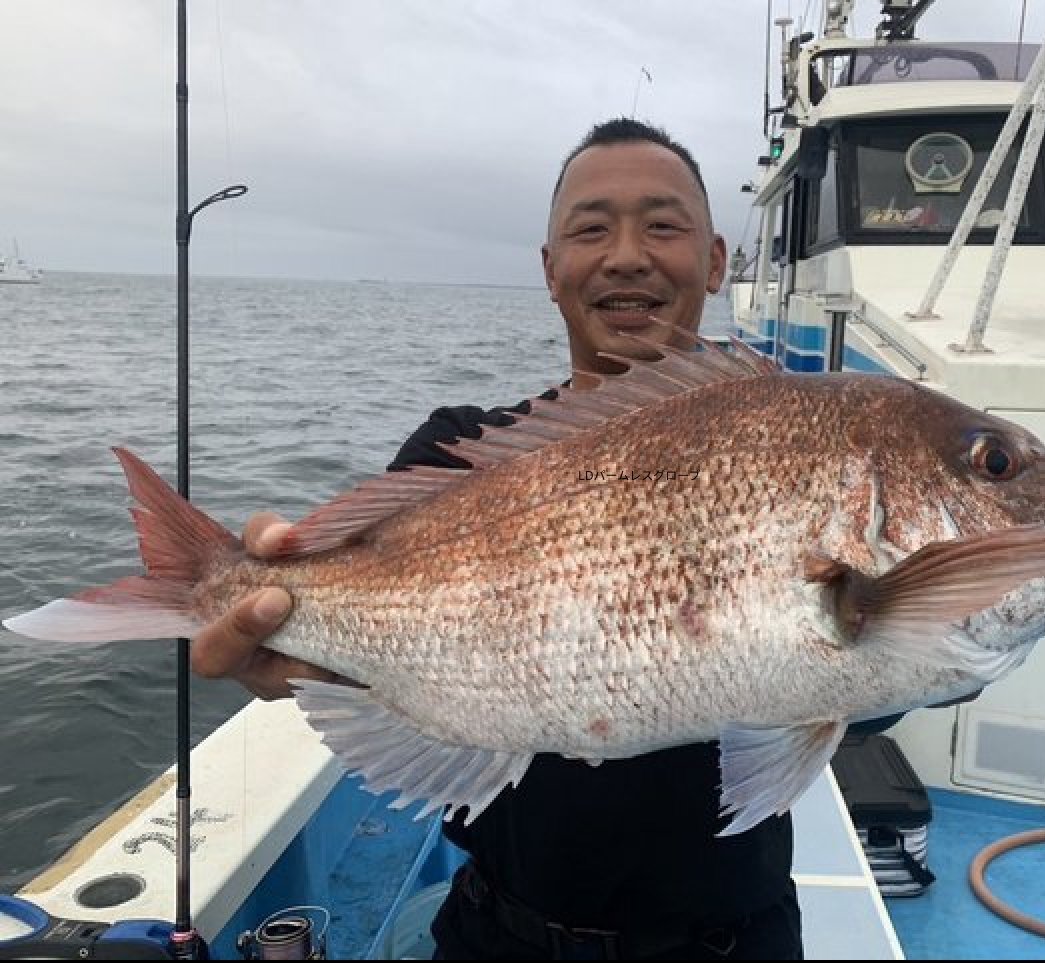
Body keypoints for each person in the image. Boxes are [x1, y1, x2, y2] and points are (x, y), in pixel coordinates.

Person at [192, 117, 897, 960]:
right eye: (592, 228)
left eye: (663, 225)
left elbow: (891, 671)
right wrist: (282, 647)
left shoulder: (792, 443)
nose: (628, 254)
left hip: (733, 939)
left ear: (714, 260)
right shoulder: (457, 454)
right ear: (550, 269)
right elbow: (356, 639)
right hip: (498, 932)